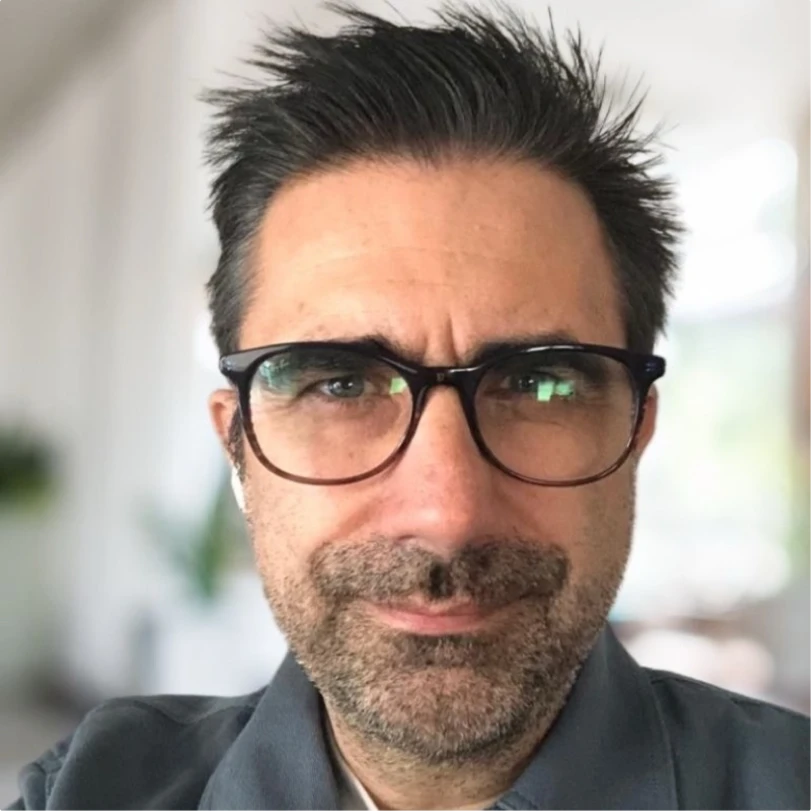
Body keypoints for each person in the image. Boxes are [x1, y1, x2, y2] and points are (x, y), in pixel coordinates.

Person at [9, 3, 811, 810]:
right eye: (341, 384)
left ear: (637, 428)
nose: (445, 514)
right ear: (239, 445)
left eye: (537, 384)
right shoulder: (87, 791)